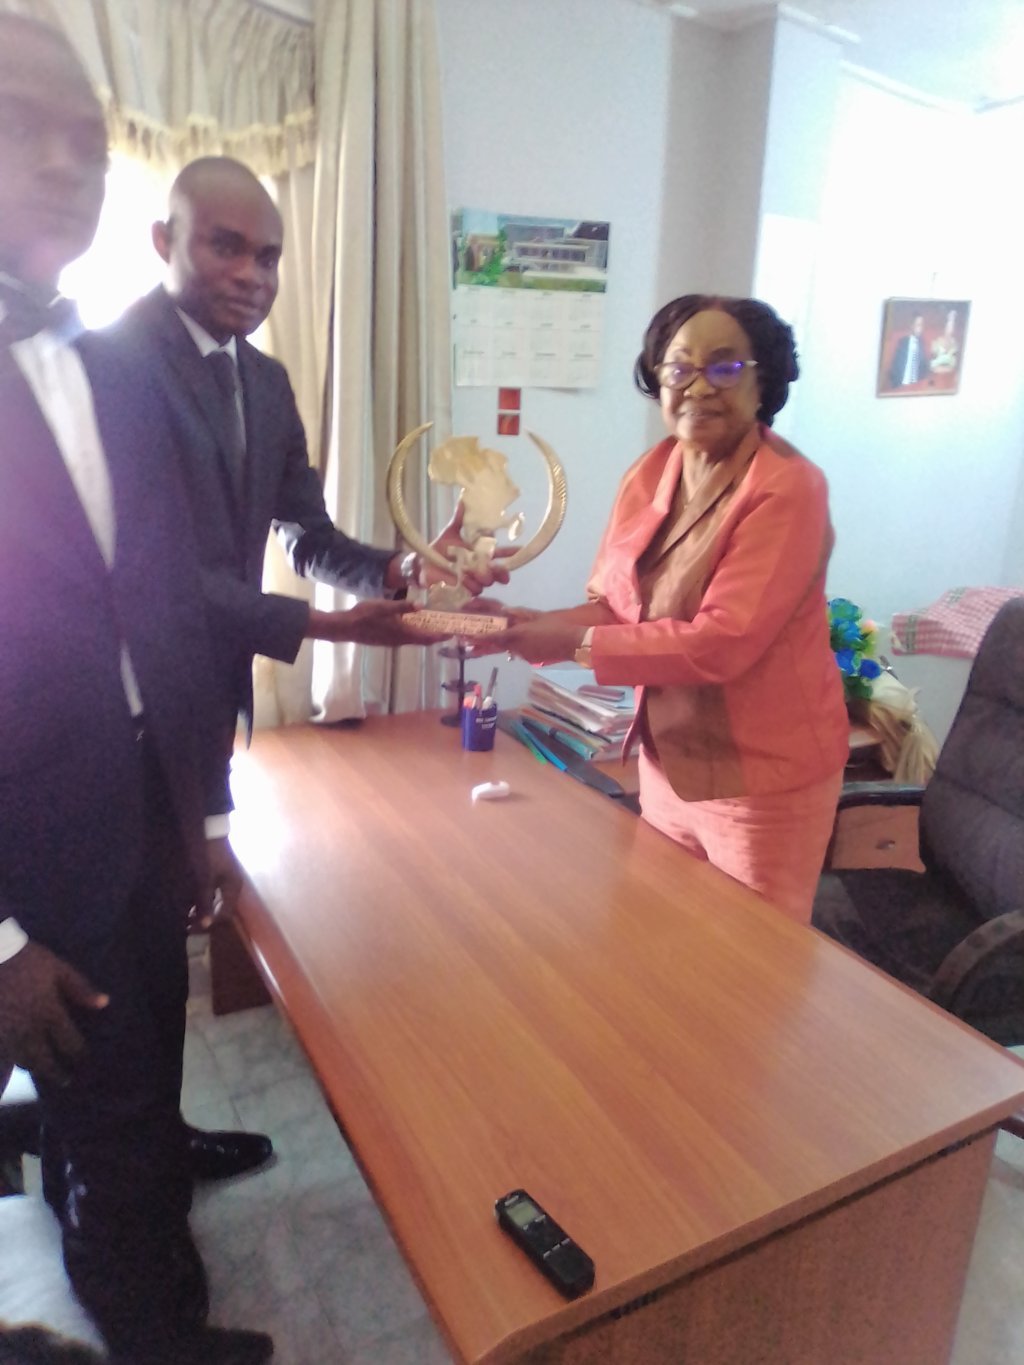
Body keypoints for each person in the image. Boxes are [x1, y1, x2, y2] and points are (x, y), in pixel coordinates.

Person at [0, 15, 271, 1365]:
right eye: (21, 124)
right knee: (99, 1106)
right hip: (24, 848)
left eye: (89, 141)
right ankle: (160, 1334)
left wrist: (202, 818)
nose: (67, 163)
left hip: (146, 805)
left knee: (141, 1069)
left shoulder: (109, 359)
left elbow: (164, 605)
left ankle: (129, 1230)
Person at [480, 294, 850, 923]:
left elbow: (722, 642)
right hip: (668, 762)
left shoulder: (788, 487)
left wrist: (568, 643)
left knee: (749, 959)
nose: (698, 387)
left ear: (764, 381)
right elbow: (616, 608)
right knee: (659, 936)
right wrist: (525, 626)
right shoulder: (652, 472)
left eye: (724, 367)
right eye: (679, 368)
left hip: (762, 782)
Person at [110, 155, 505, 740]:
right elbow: (155, 574)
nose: (251, 275)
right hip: (118, 703)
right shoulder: (113, 367)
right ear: (163, 242)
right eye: (226, 247)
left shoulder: (265, 383)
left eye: (268, 258)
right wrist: (335, 626)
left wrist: (409, 566)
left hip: (214, 698)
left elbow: (308, 538)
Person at [886, 312, 928, 387]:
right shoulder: (903, 343)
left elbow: (924, 367)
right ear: (912, 326)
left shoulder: (922, 343)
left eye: (922, 325)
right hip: (901, 385)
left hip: (916, 386)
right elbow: (895, 367)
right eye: (918, 325)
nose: (920, 329)